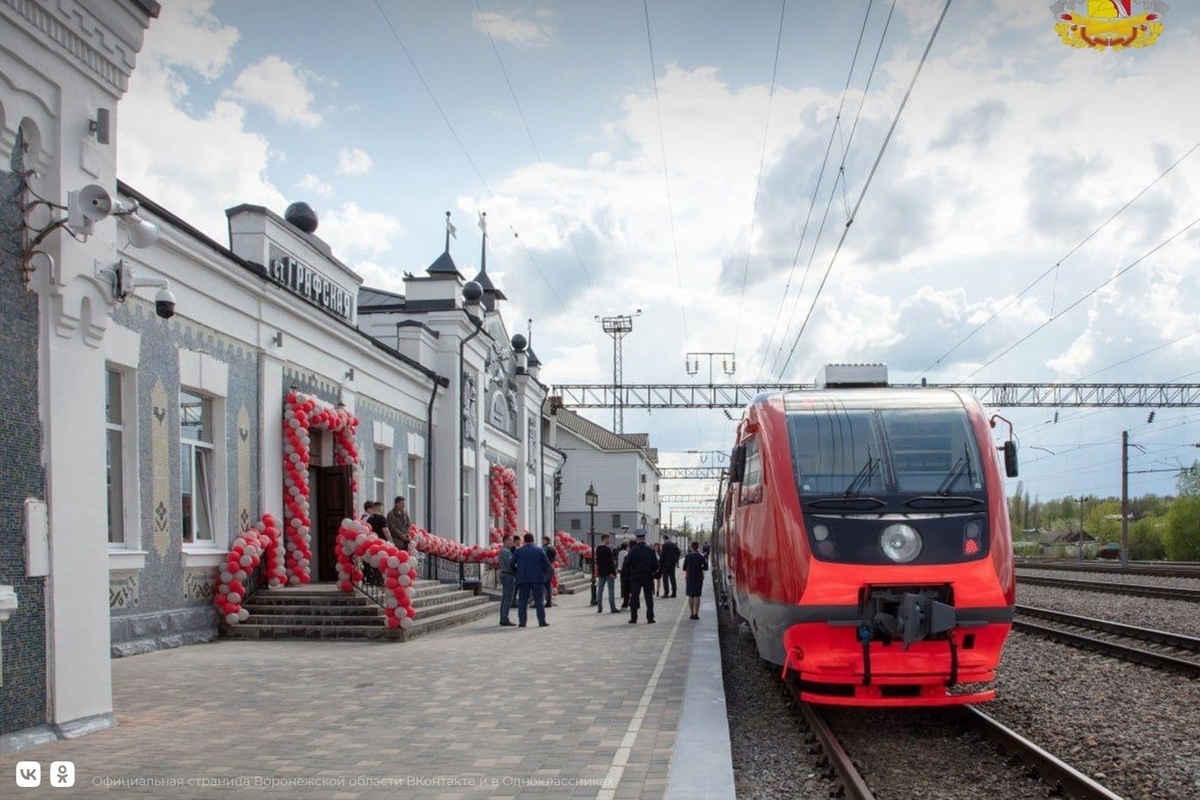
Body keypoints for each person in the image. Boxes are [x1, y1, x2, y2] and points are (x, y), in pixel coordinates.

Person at [512, 533, 550, 627]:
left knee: (523, 601)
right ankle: (541, 621)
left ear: (524, 540)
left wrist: (518, 571)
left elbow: (511, 563)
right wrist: (543, 573)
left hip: (523, 578)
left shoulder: (519, 551)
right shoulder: (539, 550)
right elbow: (547, 564)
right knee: (539, 601)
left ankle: (522, 622)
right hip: (537, 578)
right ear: (533, 540)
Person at [624, 529, 658, 624]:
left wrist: (630, 574)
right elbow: (656, 565)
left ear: (636, 538)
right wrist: (651, 571)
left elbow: (627, 564)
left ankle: (634, 618)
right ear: (644, 538)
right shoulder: (650, 550)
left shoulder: (632, 550)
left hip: (635, 577)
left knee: (634, 597)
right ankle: (650, 618)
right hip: (647, 577)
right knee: (648, 597)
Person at [593, 533, 619, 613]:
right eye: (609, 538)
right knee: (611, 591)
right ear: (605, 538)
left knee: (600, 590)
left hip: (601, 572)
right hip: (609, 573)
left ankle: (599, 608)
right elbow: (610, 562)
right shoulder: (607, 549)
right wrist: (614, 572)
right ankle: (612, 607)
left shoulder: (598, 549)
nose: (609, 540)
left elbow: (597, 561)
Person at [682, 540, 708, 620]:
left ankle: (691, 614)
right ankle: (696, 614)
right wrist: (700, 568)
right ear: (697, 547)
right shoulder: (701, 556)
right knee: (697, 596)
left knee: (690, 595)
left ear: (691, 547)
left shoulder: (688, 556)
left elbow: (684, 568)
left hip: (690, 577)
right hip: (699, 577)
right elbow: (706, 567)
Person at [498, 533, 517, 626]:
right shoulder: (505, 551)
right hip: (508, 576)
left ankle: (503, 617)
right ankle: (504, 618)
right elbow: (511, 564)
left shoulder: (507, 550)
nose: (513, 542)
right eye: (511, 540)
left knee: (506, 598)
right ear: (505, 541)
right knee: (508, 598)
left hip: (507, 575)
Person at [541, 535, 558, 607]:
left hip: (545, 567)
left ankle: (543, 600)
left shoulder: (545, 548)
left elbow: (542, 556)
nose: (541, 541)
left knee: (542, 584)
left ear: (545, 540)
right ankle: (549, 601)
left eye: (542, 540)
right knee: (548, 585)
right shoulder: (553, 547)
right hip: (551, 566)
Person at [617, 540, 631, 609]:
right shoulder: (626, 553)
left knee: (622, 583)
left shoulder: (620, 553)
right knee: (626, 586)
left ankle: (622, 594)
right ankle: (626, 599)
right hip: (625, 570)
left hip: (620, 569)